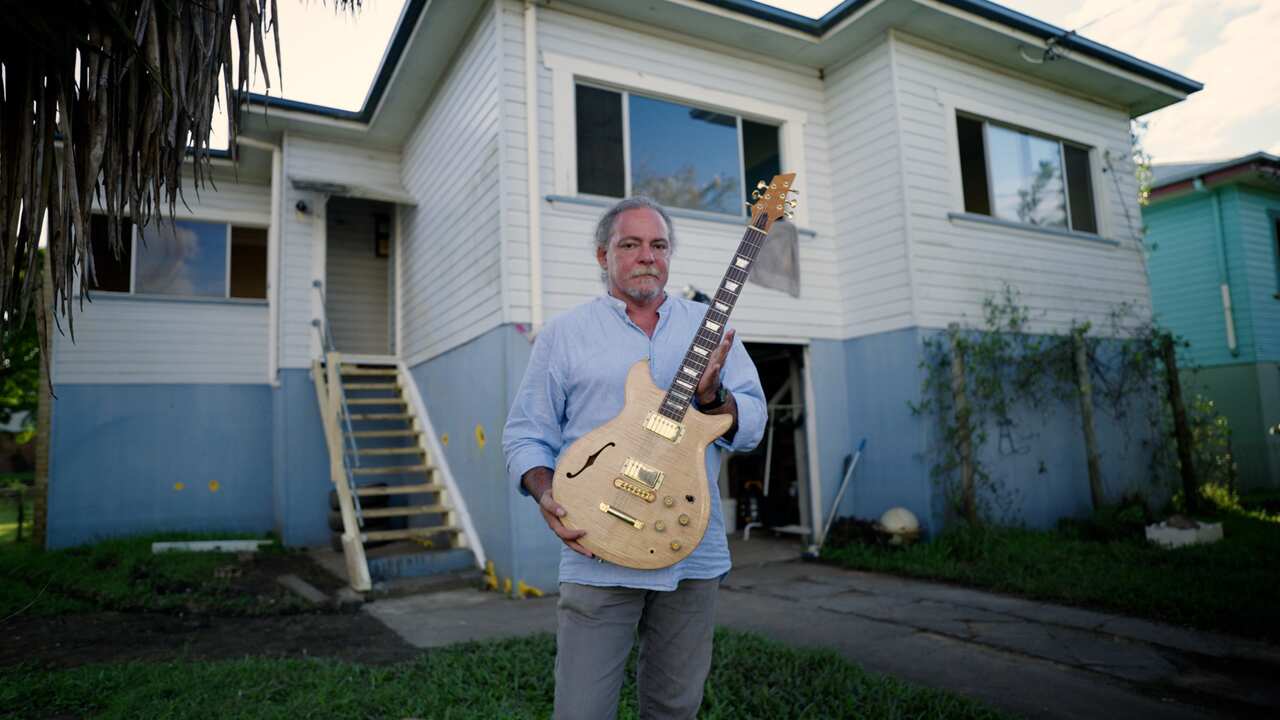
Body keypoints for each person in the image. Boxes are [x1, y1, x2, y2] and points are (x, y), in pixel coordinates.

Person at [503, 196, 766, 720]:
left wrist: (715, 400)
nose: (648, 256)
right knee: (581, 710)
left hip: (691, 546)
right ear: (604, 256)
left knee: (675, 705)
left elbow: (753, 424)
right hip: (596, 547)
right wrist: (546, 492)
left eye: (659, 245)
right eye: (631, 244)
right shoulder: (563, 335)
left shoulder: (710, 329)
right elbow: (526, 434)